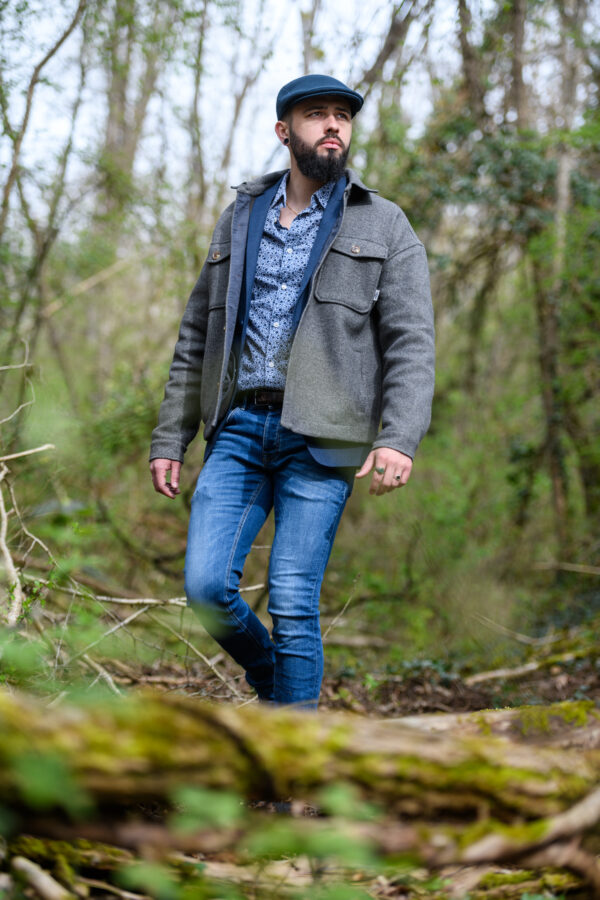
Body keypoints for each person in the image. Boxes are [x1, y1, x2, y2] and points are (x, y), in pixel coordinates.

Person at [150, 74, 435, 709]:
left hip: (325, 437)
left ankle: (295, 787)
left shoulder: (385, 223)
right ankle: (284, 693)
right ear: (286, 132)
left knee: (295, 603)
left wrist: (399, 439)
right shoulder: (240, 217)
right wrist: (170, 436)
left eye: (342, 116)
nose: (333, 125)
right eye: (316, 115)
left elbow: (413, 342)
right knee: (205, 588)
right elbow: (196, 333)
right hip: (239, 430)